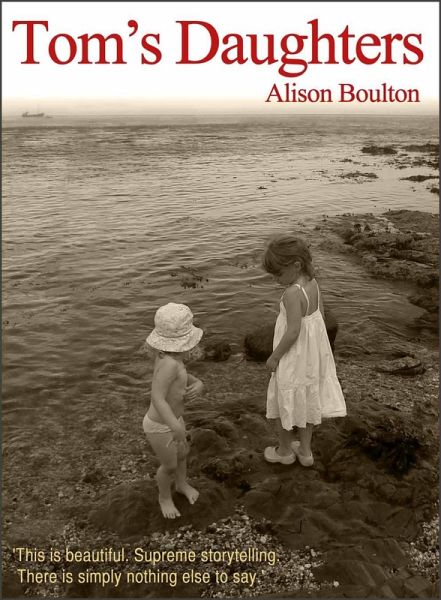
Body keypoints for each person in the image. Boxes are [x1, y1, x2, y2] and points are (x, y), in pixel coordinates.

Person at [262, 234, 346, 466]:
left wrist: (274, 357)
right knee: (308, 398)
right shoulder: (313, 283)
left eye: (278, 274)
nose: (276, 280)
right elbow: (320, 316)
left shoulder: (292, 293)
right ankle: (306, 451)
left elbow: (293, 331)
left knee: (285, 398)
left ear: (296, 265)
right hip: (310, 355)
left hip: (293, 354)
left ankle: (284, 451)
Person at [143, 302, 204, 518]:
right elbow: (157, 398)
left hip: (173, 420)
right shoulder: (169, 364)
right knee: (169, 465)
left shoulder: (171, 359)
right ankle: (164, 498)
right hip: (160, 425)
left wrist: (198, 384)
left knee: (183, 454)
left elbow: (184, 376)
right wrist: (175, 427)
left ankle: (181, 484)